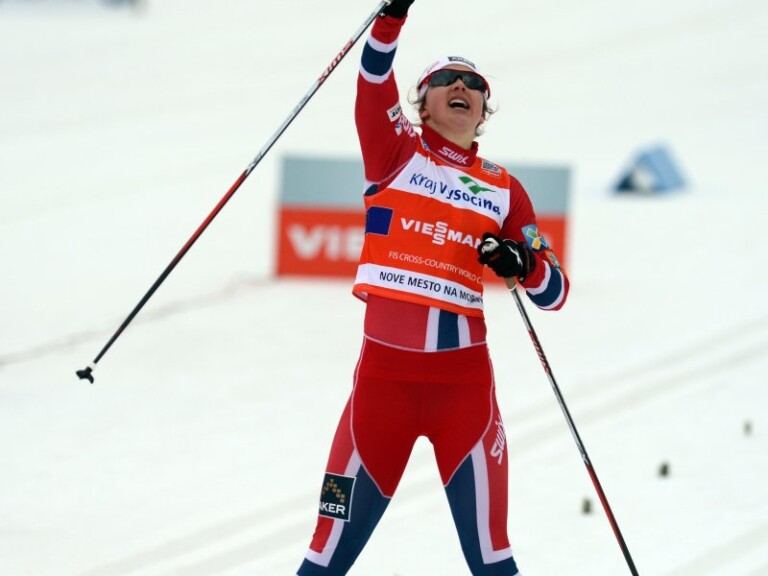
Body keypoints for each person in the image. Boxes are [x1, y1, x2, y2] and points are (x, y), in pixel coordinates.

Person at [296, 1, 569, 574]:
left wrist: (523, 261)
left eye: (475, 83)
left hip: (463, 393)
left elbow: (555, 292)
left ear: (484, 110)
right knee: (325, 551)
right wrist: (390, 19)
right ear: (422, 104)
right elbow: (372, 81)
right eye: (446, 79)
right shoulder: (395, 153)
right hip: (381, 391)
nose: (462, 86)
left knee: (493, 556)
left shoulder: (504, 188)